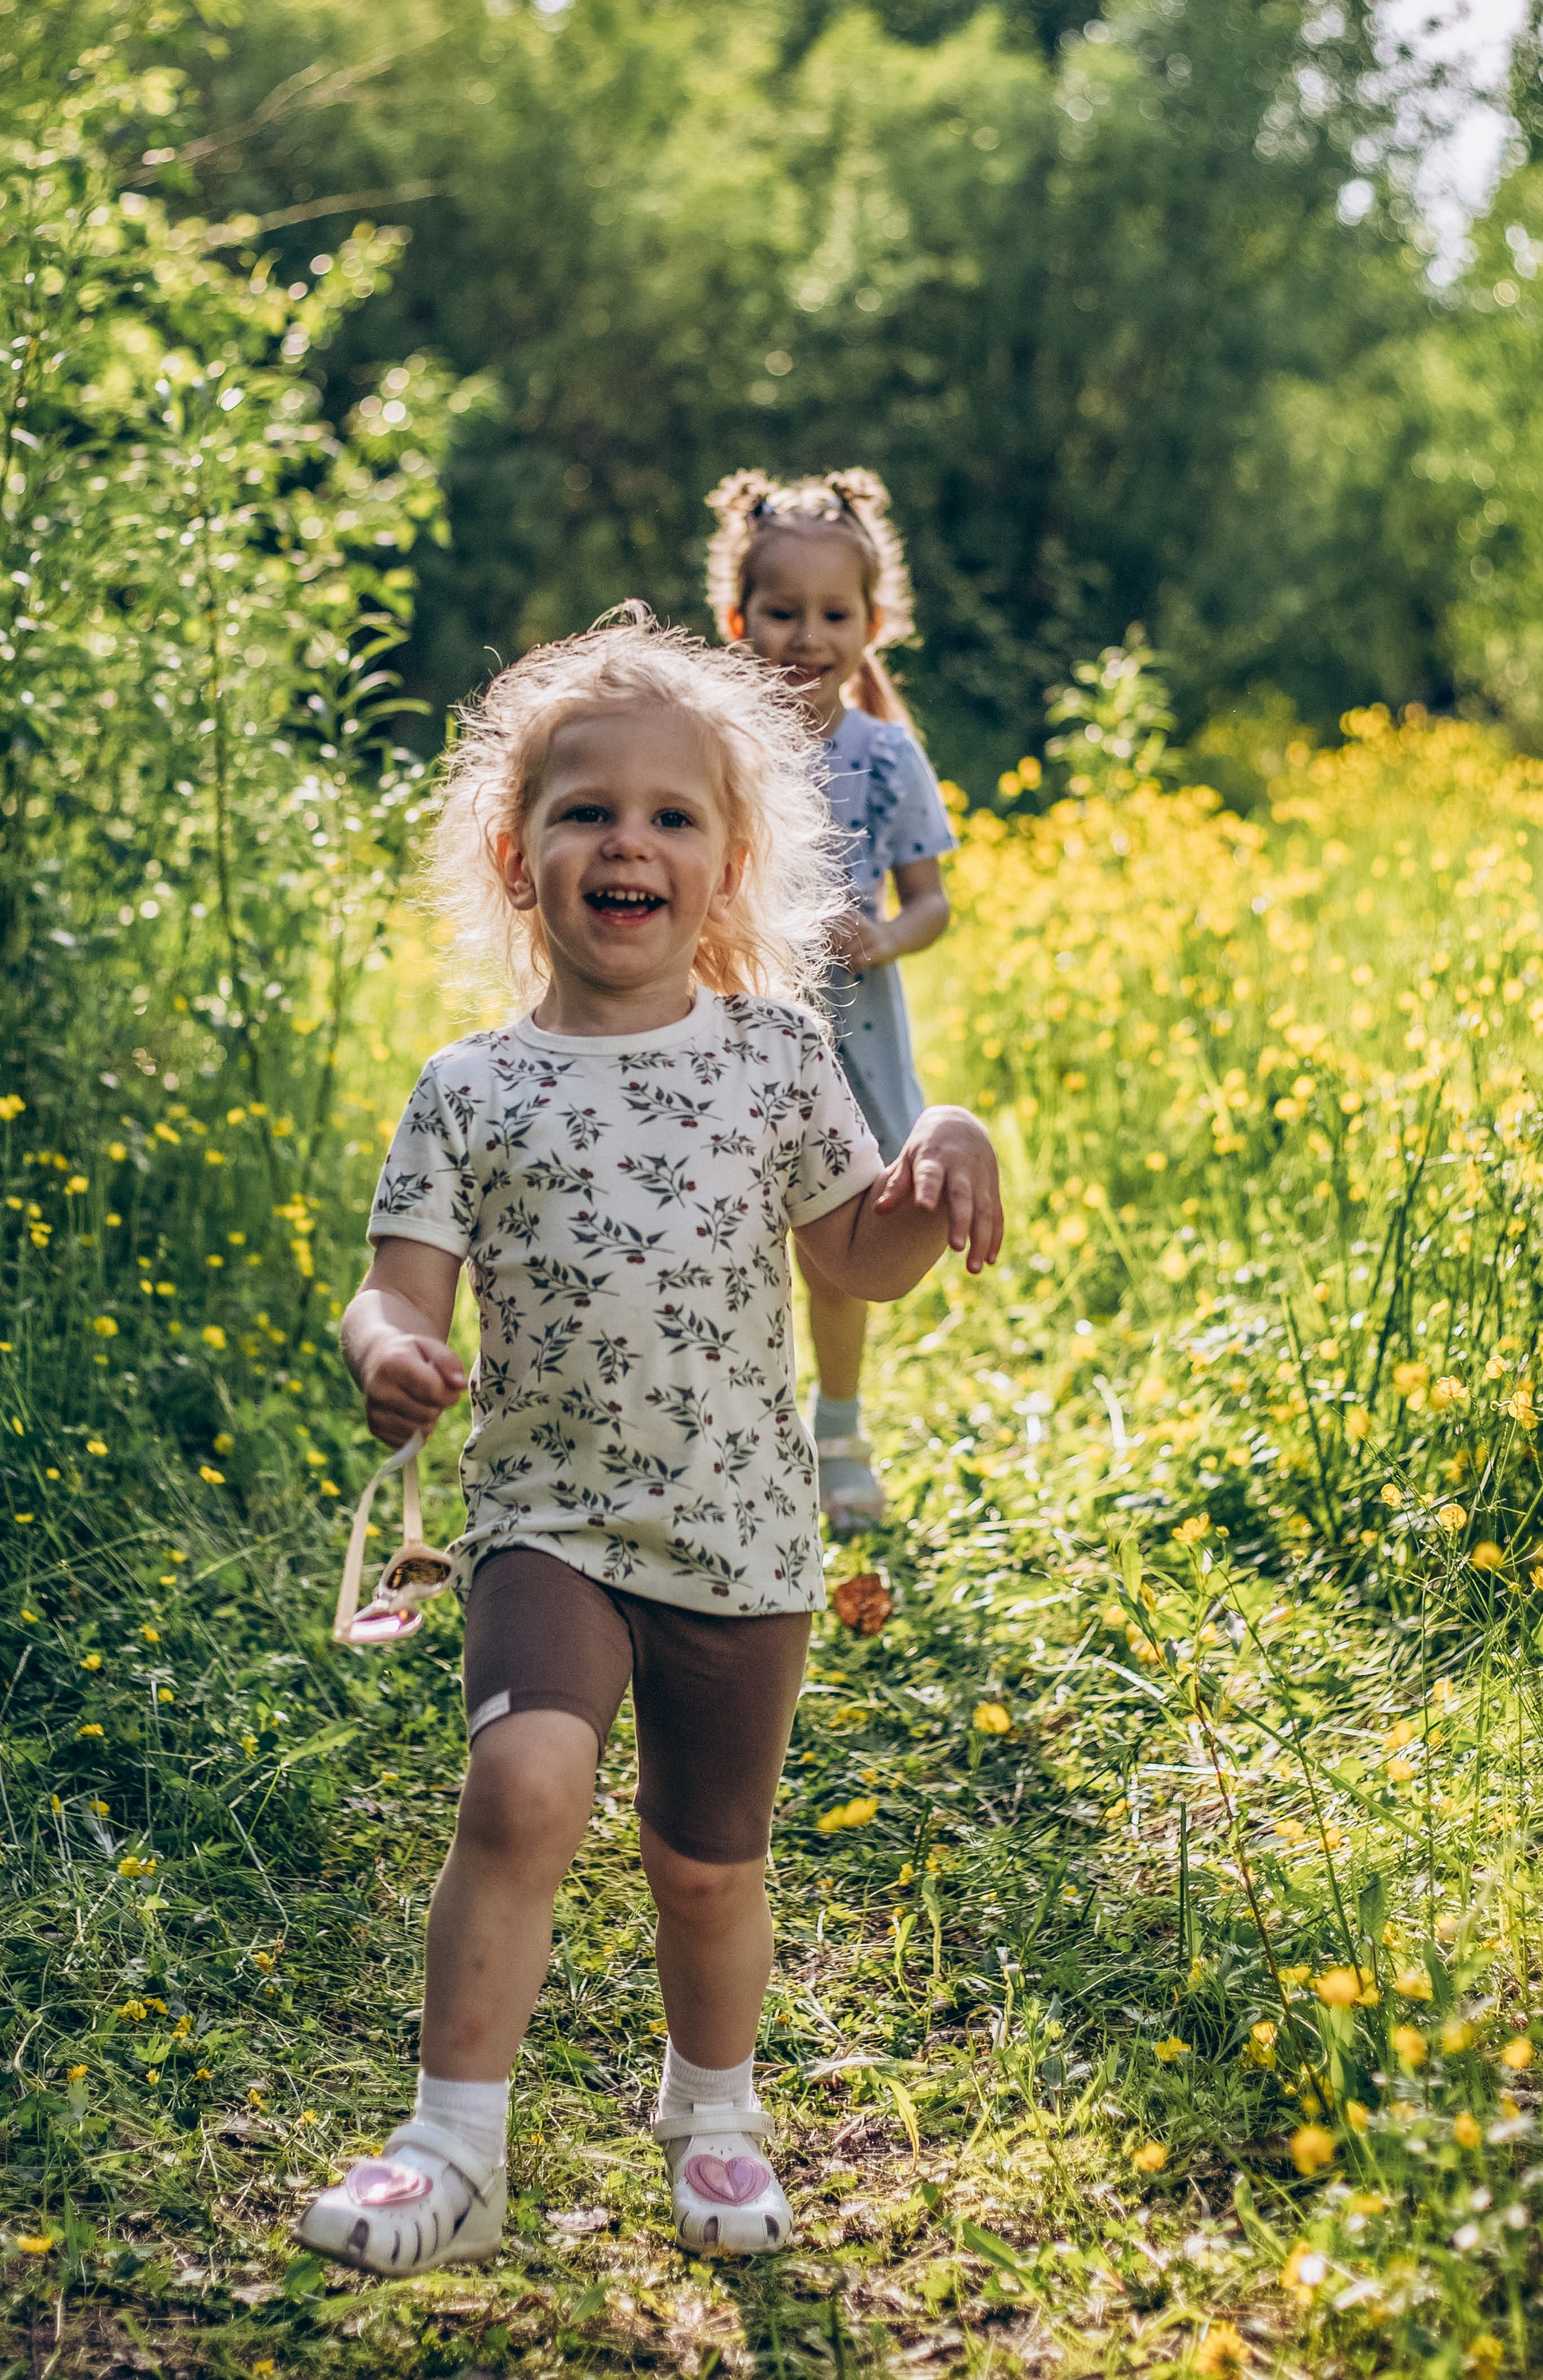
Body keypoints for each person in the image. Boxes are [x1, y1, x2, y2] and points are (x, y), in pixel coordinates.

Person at [296, 611, 1002, 2279]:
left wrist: (942, 1146)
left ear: (727, 864)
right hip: (546, 1523)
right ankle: (451, 2146)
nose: (629, 841)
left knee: (705, 1864)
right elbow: (391, 1289)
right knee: (521, 1789)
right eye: (586, 811)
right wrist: (390, 1349)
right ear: (517, 856)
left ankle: (714, 2111)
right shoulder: (471, 1087)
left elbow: (860, 1259)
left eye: (672, 815)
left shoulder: (775, 1055)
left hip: (742, 1538)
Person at [707, 469, 957, 1529]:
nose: (807, 637)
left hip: (849, 1041)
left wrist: (886, 937)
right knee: (722, 1236)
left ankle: (838, 1429)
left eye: (834, 615)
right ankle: (732, 1432)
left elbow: (932, 901)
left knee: (839, 1242)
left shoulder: (886, 756)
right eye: (781, 612)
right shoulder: (711, 748)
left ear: (873, 624)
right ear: (737, 620)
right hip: (725, 1035)